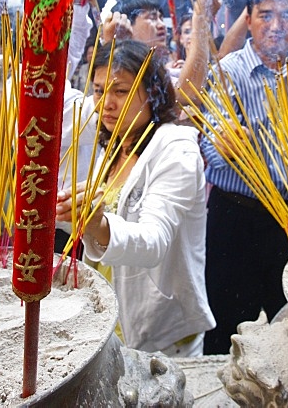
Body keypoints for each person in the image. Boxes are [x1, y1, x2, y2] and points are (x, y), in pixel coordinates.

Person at [55, 40, 214, 356]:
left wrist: (98, 223)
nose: (105, 104)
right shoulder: (116, 144)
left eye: (120, 91)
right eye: (99, 91)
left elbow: (153, 241)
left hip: (160, 332)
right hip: (112, 319)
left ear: (153, 92)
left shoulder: (177, 150)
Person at [199, 0, 288, 354]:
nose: (276, 26)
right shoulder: (229, 72)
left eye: (287, 16)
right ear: (250, 19)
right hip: (235, 217)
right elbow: (216, 145)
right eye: (266, 15)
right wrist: (230, 139)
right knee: (225, 322)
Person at [100, 0, 222, 106]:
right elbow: (187, 94)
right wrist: (201, 21)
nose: (162, 25)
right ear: (126, 26)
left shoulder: (162, 69)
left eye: (161, 18)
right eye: (152, 18)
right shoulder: (124, 71)